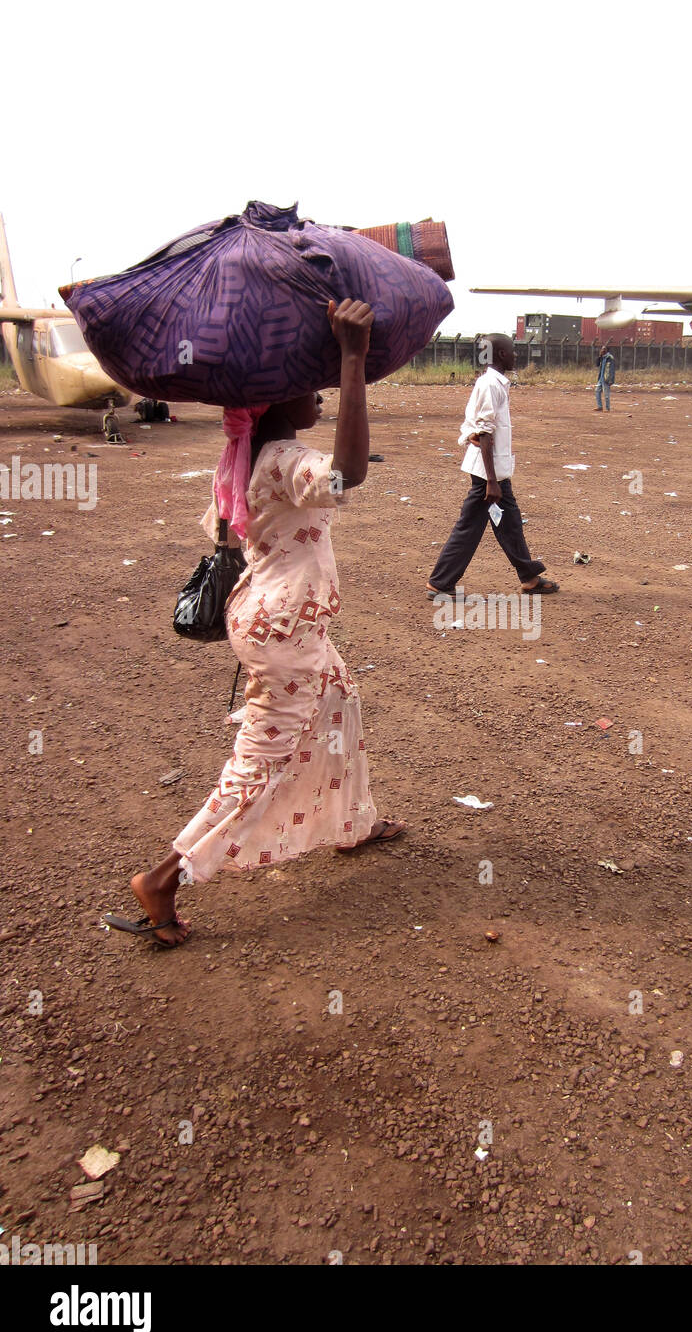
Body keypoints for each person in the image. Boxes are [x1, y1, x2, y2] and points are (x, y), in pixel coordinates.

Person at [106, 299, 403, 948]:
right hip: (283, 629)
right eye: (309, 389)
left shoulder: (246, 455)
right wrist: (352, 356)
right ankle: (161, 878)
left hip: (274, 616)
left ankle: (352, 821)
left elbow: (226, 530)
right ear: (274, 403)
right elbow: (348, 472)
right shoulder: (284, 459)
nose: (319, 398)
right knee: (260, 761)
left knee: (339, 702)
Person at [427, 333, 558, 599]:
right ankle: (440, 583)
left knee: (509, 524)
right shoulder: (490, 384)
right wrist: (491, 480)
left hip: (493, 471)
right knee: (470, 527)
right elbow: (484, 432)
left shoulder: (494, 383)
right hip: (487, 473)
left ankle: (529, 578)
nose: (516, 355)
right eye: (513, 351)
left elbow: (475, 426)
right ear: (500, 354)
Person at [595, 344, 615, 412]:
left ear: (607, 350)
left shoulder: (610, 358)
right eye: (602, 349)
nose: (602, 350)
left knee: (606, 394)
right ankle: (600, 406)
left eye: (604, 349)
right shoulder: (602, 357)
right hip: (601, 378)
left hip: (606, 378)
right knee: (597, 391)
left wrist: (611, 380)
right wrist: (599, 356)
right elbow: (597, 365)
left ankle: (607, 408)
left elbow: (612, 370)